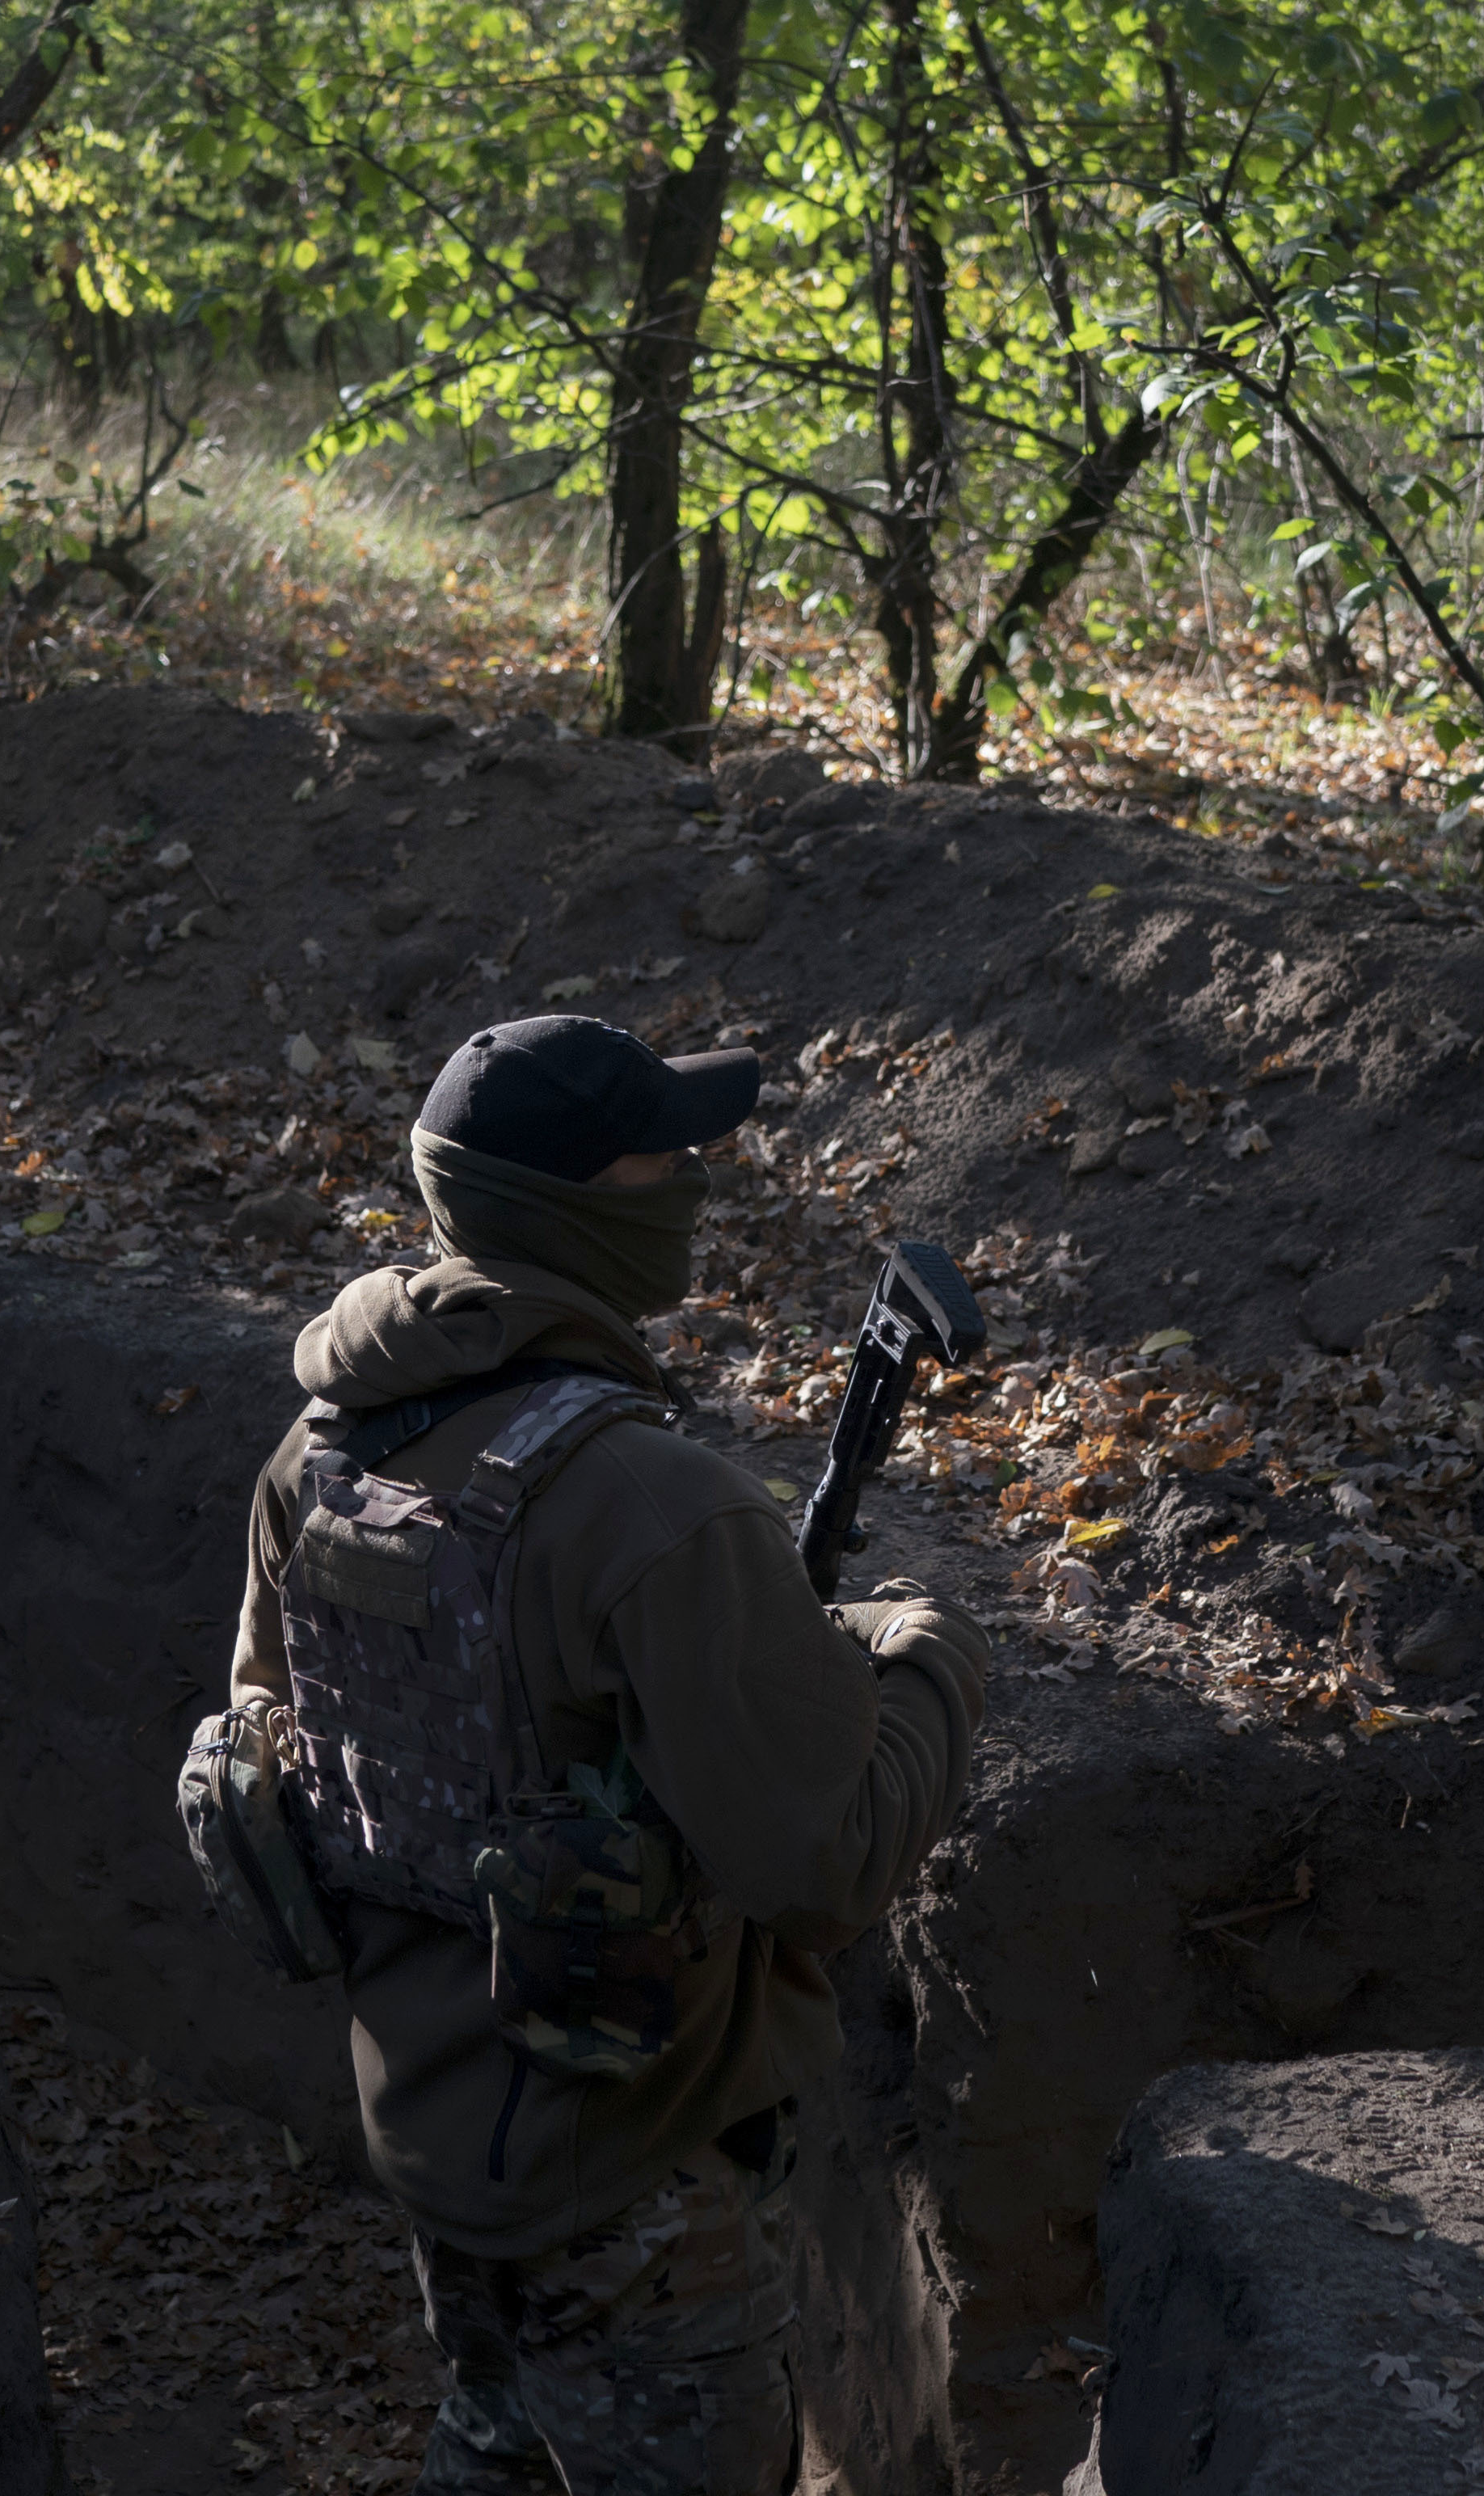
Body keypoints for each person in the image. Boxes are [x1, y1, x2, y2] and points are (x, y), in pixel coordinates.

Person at [219, 1014, 985, 2494]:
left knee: (498, 2445)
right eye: (665, 1152)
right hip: (635, 2167)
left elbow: (318, 1748)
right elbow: (822, 1867)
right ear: (579, 1207)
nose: (698, 1170)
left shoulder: (316, 1455)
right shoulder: (654, 1505)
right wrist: (933, 1661)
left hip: (431, 2120)